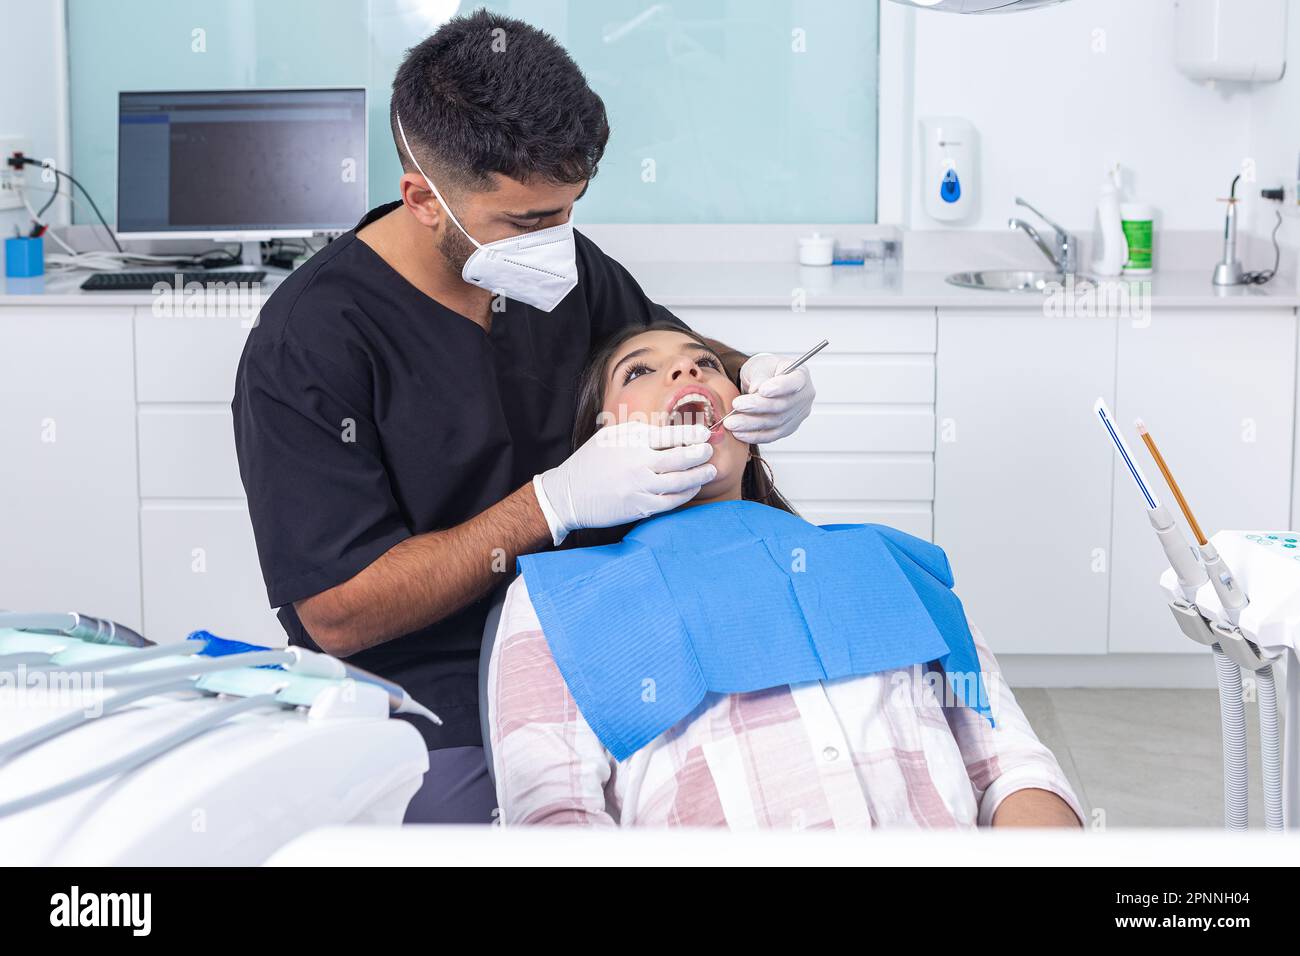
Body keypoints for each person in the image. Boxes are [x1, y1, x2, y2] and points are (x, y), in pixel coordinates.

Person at [231, 11, 816, 823]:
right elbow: (338, 611)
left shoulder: (558, 262)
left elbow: (661, 352)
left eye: (568, 209)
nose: (557, 239)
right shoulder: (310, 342)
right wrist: (552, 504)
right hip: (436, 698)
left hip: (612, 638)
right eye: (529, 221)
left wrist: (755, 377)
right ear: (423, 201)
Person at [487, 324, 1084, 828]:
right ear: (599, 441)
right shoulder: (558, 602)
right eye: (639, 373)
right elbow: (555, 819)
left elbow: (1009, 767)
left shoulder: (884, 562)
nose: (686, 374)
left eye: (706, 365)